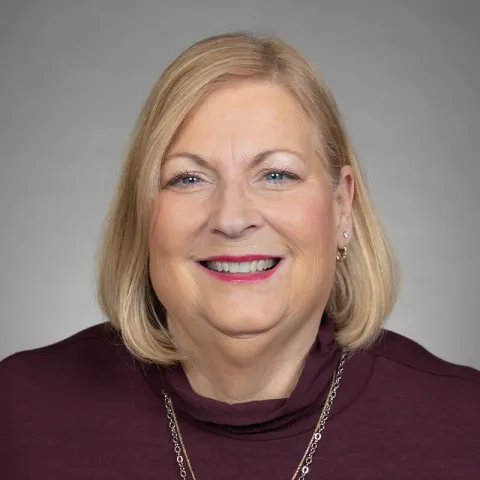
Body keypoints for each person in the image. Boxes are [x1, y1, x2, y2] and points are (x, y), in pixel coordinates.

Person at [1, 32, 479, 480]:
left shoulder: (465, 424)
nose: (232, 218)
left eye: (276, 175)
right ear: (143, 213)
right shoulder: (16, 413)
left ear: (341, 206)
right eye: (188, 178)